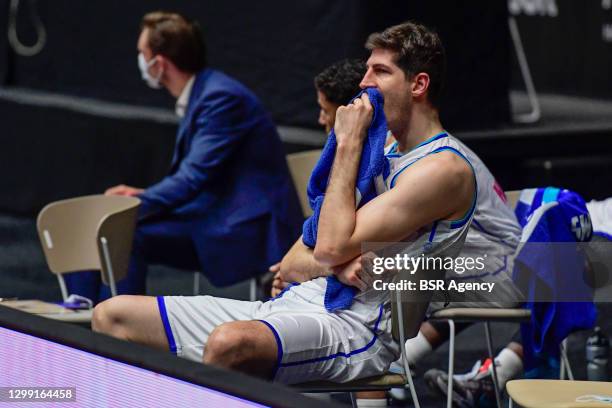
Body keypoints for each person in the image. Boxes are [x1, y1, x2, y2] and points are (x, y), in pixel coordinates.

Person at [91, 21, 517, 394]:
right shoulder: (382, 149)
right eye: (367, 68)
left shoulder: (443, 169)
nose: (365, 83)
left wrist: (347, 146)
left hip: (357, 329)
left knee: (229, 345)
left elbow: (327, 248)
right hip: (299, 302)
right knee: (113, 316)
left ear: (418, 85)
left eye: (380, 71)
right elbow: (297, 258)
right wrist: (333, 259)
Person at [65, 11, 303, 302]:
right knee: (106, 229)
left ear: (159, 63)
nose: (139, 60)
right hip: (214, 211)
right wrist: (141, 198)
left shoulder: (220, 98)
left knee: (123, 233)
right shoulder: (205, 92)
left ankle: (113, 330)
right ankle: (84, 314)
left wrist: (136, 204)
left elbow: (192, 178)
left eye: (142, 53)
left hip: (245, 226)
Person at [270, 58, 366, 297]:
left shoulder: (377, 166)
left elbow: (338, 250)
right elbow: (315, 235)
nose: (321, 120)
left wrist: (297, 269)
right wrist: (291, 268)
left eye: (325, 110)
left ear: (348, 111)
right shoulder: (338, 160)